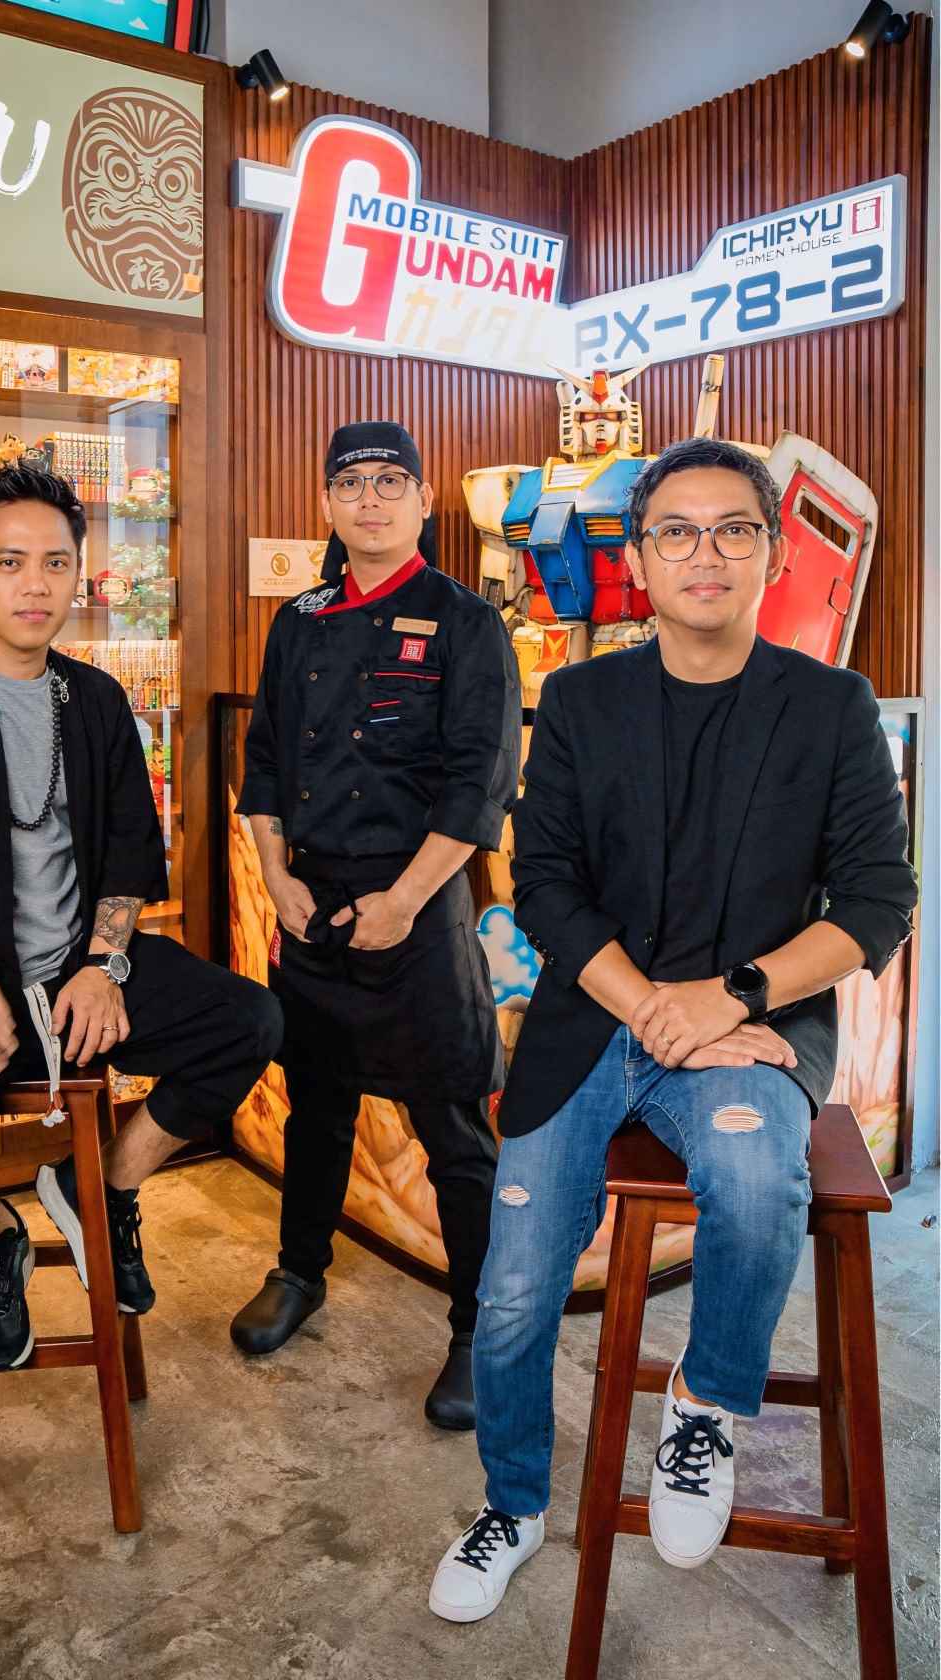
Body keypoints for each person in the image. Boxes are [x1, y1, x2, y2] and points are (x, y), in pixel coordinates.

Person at [428, 435, 917, 1618]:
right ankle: (513, 1504)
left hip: (749, 1030)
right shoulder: (581, 700)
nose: (707, 553)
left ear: (772, 553)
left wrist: (730, 998)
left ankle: (704, 1404)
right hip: (594, 1020)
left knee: (754, 1187)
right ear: (639, 560)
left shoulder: (831, 707)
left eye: (734, 529)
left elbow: (878, 903)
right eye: (678, 532)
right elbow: (544, 884)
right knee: (512, 1288)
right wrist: (653, 1006)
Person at [0, 464, 281, 1373]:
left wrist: (105, 964)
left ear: (78, 574)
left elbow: (127, 857)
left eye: (56, 563)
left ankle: (100, 1184)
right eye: (10, 562)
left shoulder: (98, 700)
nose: (36, 585)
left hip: (77, 970)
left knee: (251, 1020)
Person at [231, 422, 521, 1429]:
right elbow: (265, 761)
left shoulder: (464, 621)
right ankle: (298, 1271)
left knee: (454, 1129)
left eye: (390, 481)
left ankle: (480, 1330)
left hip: (421, 905)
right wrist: (276, 876)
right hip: (312, 902)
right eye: (350, 483)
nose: (369, 499)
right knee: (316, 1105)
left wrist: (403, 901)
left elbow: (480, 783)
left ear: (423, 499)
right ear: (327, 503)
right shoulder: (300, 619)